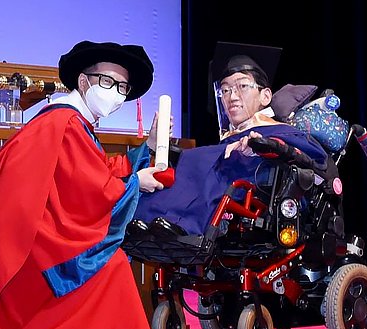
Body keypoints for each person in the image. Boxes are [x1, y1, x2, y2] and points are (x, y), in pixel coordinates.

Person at [0, 40, 168, 329]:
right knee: (114, 267)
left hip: (29, 243)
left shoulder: (68, 121)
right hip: (34, 253)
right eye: (108, 82)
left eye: (123, 88)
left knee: (114, 266)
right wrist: (135, 183)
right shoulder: (66, 122)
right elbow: (91, 191)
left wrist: (147, 145)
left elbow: (96, 174)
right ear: (84, 81)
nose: (116, 94)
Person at [133, 42, 328, 235]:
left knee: (205, 163)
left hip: (258, 199)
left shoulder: (282, 132)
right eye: (225, 90)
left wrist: (267, 146)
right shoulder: (228, 139)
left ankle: (185, 227)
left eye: (242, 86)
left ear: (265, 96)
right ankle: (148, 219)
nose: (232, 96)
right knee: (189, 161)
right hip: (228, 187)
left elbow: (314, 162)